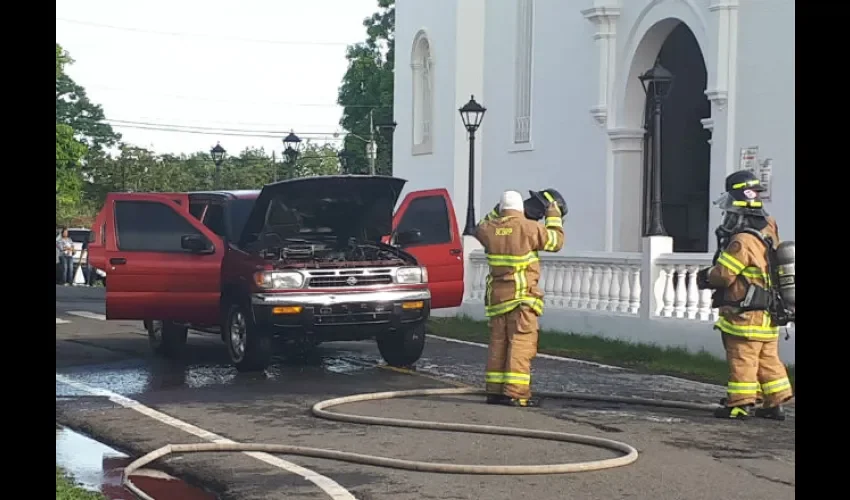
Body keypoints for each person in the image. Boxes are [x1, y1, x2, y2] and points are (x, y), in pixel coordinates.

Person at [696, 171, 794, 420]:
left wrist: (706, 276)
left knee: (742, 358)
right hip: (769, 312)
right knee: (768, 358)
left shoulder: (741, 240)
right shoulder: (769, 227)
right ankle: (774, 403)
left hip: (745, 313)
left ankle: (740, 404)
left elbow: (725, 274)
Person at [474, 189, 566, 407]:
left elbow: (481, 224)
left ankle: (494, 391)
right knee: (520, 344)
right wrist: (553, 214)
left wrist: (499, 211)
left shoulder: (488, 229)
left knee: (499, 344)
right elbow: (556, 241)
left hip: (497, 300)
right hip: (522, 298)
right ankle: (516, 393)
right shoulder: (529, 228)